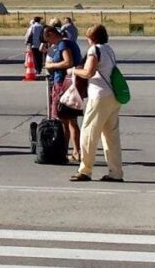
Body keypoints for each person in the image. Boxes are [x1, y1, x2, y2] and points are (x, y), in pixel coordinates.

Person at [70, 24, 124, 182]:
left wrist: (74, 70)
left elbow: (88, 72)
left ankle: (85, 170)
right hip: (113, 96)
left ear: (91, 38)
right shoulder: (109, 50)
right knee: (111, 136)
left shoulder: (94, 50)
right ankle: (116, 172)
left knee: (88, 133)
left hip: (99, 97)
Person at [42, 25, 84, 162]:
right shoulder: (71, 43)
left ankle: (64, 151)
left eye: (48, 39)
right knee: (71, 120)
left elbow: (68, 62)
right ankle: (76, 151)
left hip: (62, 84)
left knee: (64, 121)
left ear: (51, 34)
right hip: (72, 84)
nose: (50, 43)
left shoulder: (62, 44)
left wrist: (51, 66)